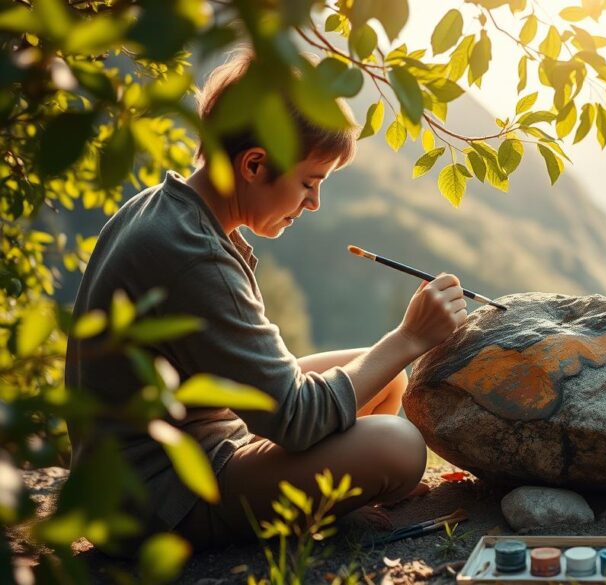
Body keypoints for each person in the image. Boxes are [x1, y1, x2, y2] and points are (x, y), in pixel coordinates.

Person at [64, 47, 469, 550]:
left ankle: (339, 493)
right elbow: (295, 420)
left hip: (200, 431)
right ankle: (336, 496)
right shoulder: (193, 254)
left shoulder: (161, 208)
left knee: (386, 381)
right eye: (309, 182)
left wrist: (395, 353)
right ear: (255, 164)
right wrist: (410, 336)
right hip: (164, 495)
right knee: (400, 447)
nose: (314, 203)